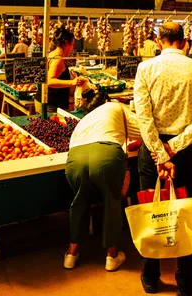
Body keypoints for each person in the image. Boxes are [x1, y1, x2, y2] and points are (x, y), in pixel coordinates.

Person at [134, 22, 192, 295]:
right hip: (186, 151)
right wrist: (175, 148)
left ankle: (150, 276)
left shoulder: (145, 69)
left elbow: (143, 117)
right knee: (187, 212)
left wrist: (160, 151)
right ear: (183, 41)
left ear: (159, 41)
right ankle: (186, 279)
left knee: (152, 210)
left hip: (153, 151)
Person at [64, 92, 141, 272]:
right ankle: (111, 257)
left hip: (76, 157)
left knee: (79, 201)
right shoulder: (116, 106)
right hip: (106, 155)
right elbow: (143, 129)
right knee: (111, 201)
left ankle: (71, 255)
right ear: (107, 100)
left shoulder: (84, 119)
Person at [35, 26, 86, 113]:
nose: (73, 48)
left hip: (43, 99)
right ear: (66, 43)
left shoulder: (51, 54)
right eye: (72, 44)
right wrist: (72, 82)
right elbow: (50, 81)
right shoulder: (58, 59)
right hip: (50, 104)